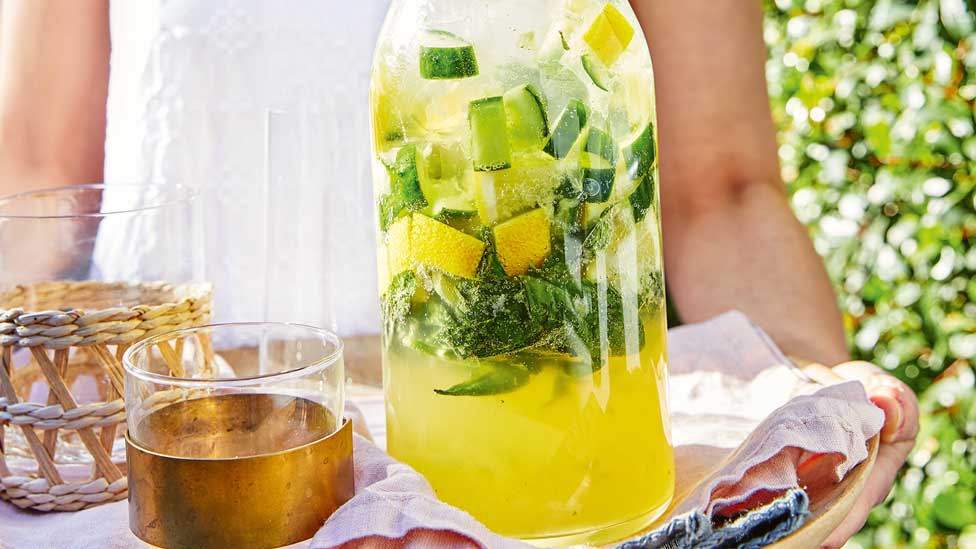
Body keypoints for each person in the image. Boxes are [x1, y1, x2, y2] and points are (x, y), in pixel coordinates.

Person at [0, 1, 918, 546]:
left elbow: (724, 186)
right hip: (163, 461)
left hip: (516, 489)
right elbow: (35, 176)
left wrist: (807, 385)